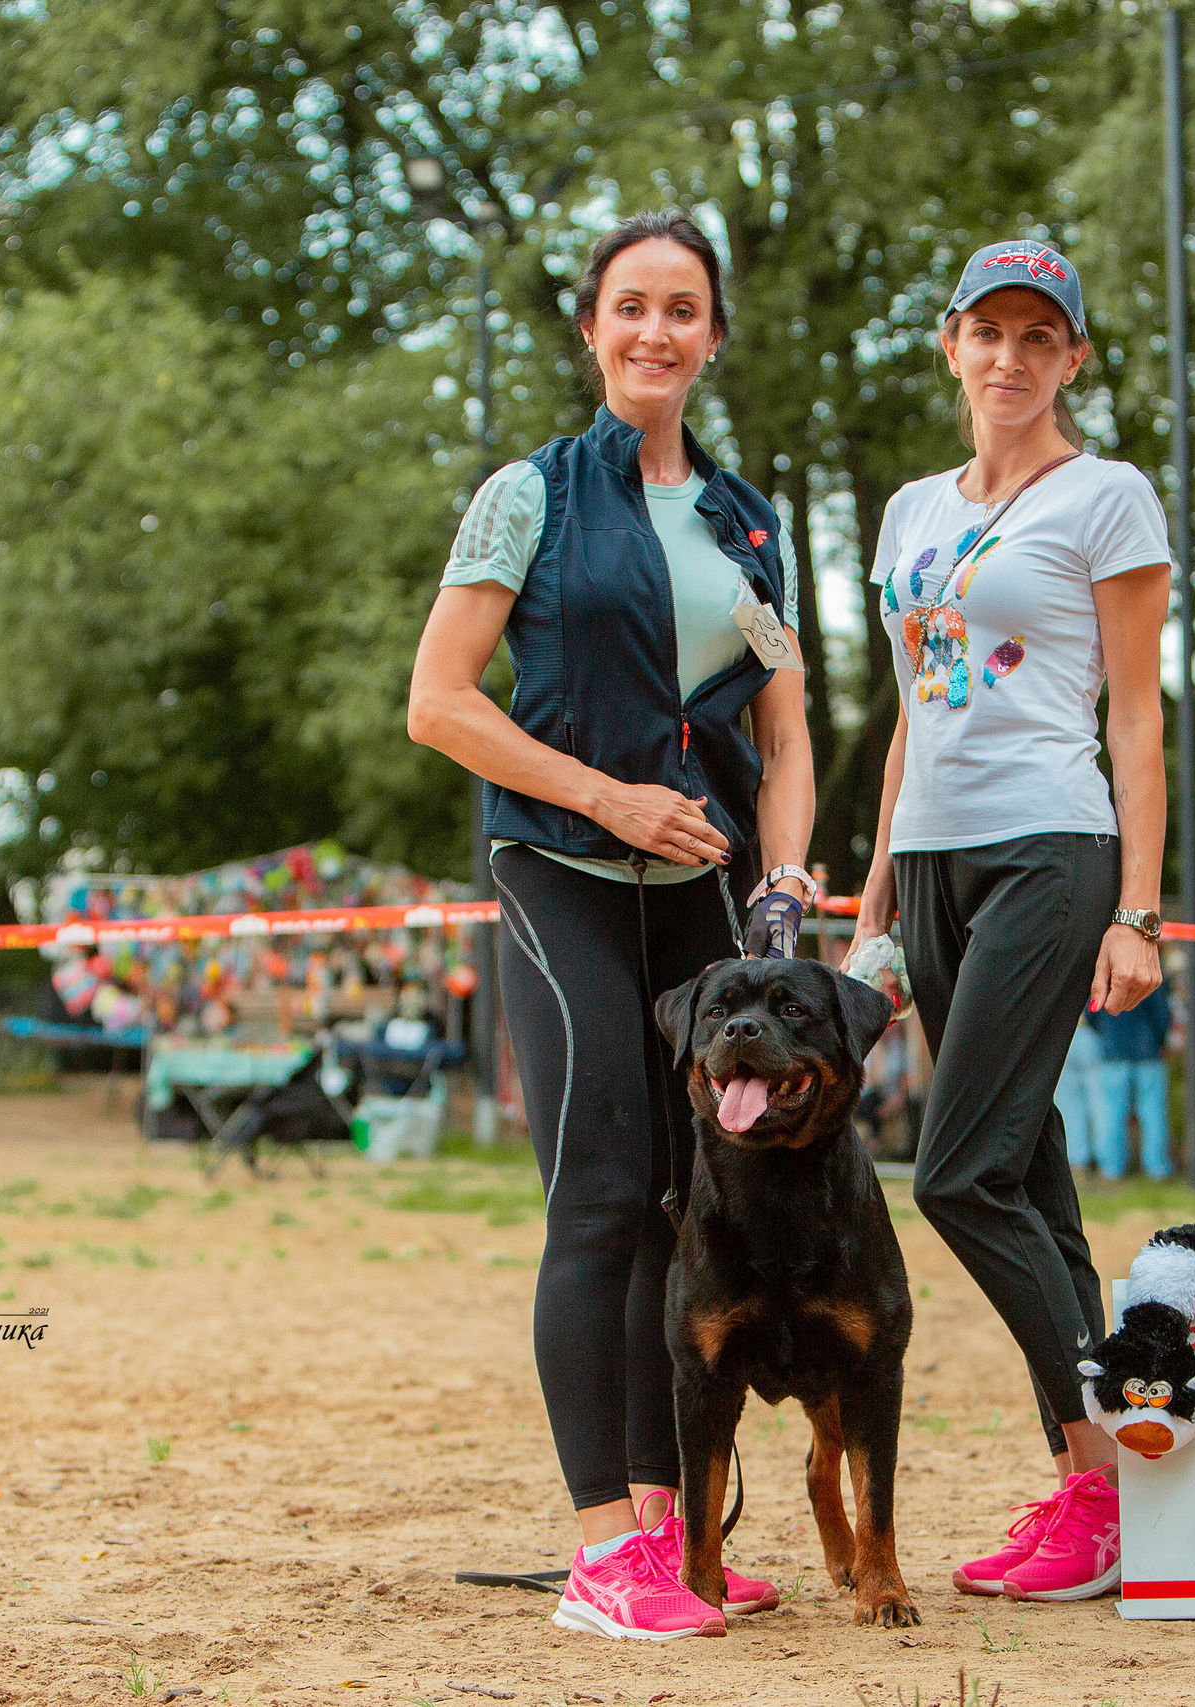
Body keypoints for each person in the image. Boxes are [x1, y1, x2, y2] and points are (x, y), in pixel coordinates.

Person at [406, 211, 814, 1640]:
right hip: (560, 867)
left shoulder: (748, 516)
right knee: (599, 1192)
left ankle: (670, 1529)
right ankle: (600, 1553)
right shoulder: (526, 495)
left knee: (686, 1199)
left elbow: (786, 714)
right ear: (591, 328)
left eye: (683, 309)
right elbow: (440, 700)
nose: (656, 331)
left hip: (699, 897)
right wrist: (610, 797)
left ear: (714, 336)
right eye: (629, 306)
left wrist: (781, 873)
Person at [851, 238, 1169, 1604]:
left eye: (1040, 337)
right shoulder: (913, 510)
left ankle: (1104, 1473)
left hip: (1053, 846)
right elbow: (910, 722)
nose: (1011, 358)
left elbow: (1142, 715)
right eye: (989, 331)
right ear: (950, 343)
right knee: (1028, 1167)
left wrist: (1141, 909)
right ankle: (1102, 1492)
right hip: (931, 861)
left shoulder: (1108, 495)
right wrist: (870, 905)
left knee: (954, 1171)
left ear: (1073, 357)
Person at [1089, 975, 1171, 1180]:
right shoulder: (1152, 973)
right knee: (1153, 1113)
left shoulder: (1105, 973)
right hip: (1148, 1052)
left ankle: (1111, 1169)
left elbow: (1092, 1011)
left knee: (1111, 1113)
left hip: (1113, 1052)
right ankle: (1157, 1169)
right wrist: (1159, 1040)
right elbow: (1162, 1015)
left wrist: (1106, 1033)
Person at [1052, 1000, 1109, 1175]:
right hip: (1090, 1033)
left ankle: (1077, 1161)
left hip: (1063, 1032)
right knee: (1100, 1105)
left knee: (1070, 1107)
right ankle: (1106, 1162)